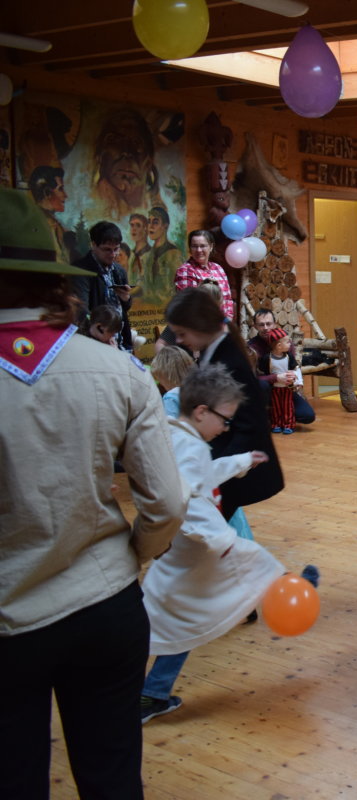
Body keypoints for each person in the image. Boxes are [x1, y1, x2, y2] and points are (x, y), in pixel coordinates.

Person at [0, 188, 185, 799]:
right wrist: (130, 557)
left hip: (9, 621)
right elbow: (166, 503)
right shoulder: (118, 370)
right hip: (105, 606)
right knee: (112, 781)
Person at [140, 364, 291, 723]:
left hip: (184, 556)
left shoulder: (180, 438)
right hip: (191, 554)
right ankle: (139, 694)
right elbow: (188, 502)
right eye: (224, 420)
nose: (226, 428)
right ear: (201, 412)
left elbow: (202, 477)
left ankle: (151, 693)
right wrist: (226, 542)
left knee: (178, 622)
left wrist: (240, 461)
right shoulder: (189, 448)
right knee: (174, 622)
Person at [166, 287, 284, 519]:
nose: (178, 341)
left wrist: (223, 466)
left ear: (199, 326)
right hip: (222, 458)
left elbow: (251, 422)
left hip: (233, 460)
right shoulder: (214, 349)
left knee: (207, 524)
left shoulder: (230, 360)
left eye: (182, 333)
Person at [248, 308, 317, 427]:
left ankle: (278, 415)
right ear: (255, 326)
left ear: (275, 324)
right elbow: (250, 379)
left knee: (308, 416)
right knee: (262, 385)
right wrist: (276, 378)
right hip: (264, 392)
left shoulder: (286, 342)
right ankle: (267, 415)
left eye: (269, 324)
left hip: (284, 390)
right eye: (261, 325)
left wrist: (294, 378)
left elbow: (293, 366)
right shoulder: (252, 347)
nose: (265, 328)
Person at [71, 220, 134, 350]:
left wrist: (126, 298)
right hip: (95, 342)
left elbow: (125, 308)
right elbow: (81, 311)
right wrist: (103, 334)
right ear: (94, 245)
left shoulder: (119, 270)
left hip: (120, 341)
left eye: (116, 249)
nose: (113, 255)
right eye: (107, 250)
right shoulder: (81, 271)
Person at [174, 229, 234, 320]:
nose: (198, 250)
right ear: (190, 248)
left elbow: (228, 299)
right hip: (201, 325)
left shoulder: (218, 268)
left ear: (211, 247)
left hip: (222, 324)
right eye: (194, 246)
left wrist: (227, 321)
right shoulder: (186, 270)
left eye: (203, 246)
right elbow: (189, 306)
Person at [258, 327, 301, 434]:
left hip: (287, 387)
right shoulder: (267, 358)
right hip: (275, 388)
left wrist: (298, 381)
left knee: (288, 406)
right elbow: (262, 372)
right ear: (279, 346)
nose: (290, 344)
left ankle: (288, 425)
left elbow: (296, 369)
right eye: (287, 342)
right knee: (276, 406)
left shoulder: (289, 356)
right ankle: (276, 424)